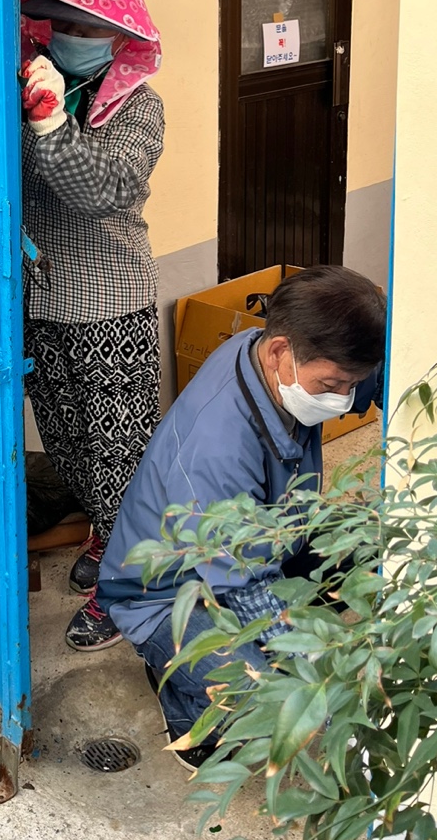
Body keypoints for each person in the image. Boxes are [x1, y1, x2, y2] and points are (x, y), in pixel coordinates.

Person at [96, 265, 386, 768]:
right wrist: (327, 703)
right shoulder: (217, 446)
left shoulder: (278, 351)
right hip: (171, 594)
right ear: (280, 354)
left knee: (373, 542)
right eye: (332, 385)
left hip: (272, 536)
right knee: (266, 703)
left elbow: (384, 376)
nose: (343, 399)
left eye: (351, 384)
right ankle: (182, 696)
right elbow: (246, 590)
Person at [19, 0, 165, 652]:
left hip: (110, 300)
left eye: (92, 26)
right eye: (65, 21)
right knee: (70, 445)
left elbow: (97, 189)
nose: (76, 36)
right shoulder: (29, 80)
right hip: (39, 300)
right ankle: (108, 538)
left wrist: (50, 122)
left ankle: (129, 591)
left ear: (121, 36)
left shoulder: (141, 109)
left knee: (120, 454)